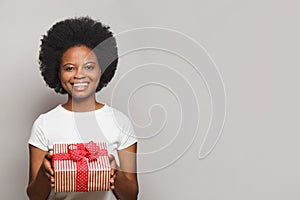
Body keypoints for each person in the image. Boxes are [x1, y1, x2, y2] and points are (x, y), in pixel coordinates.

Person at [26, 16, 138, 200]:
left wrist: (114, 173)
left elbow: (131, 195)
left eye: (89, 67)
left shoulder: (120, 123)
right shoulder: (44, 124)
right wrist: (44, 174)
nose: (79, 75)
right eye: (70, 68)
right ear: (58, 72)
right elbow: (34, 197)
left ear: (101, 70)